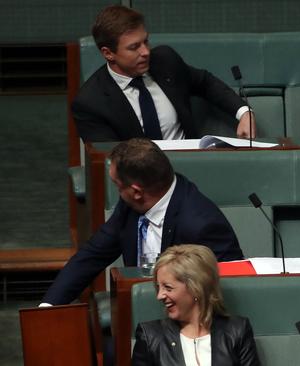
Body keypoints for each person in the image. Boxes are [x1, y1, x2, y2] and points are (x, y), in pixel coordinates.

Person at [41, 138, 243, 305]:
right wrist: (48, 306)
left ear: (136, 192)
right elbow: (93, 254)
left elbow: (225, 290)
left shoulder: (203, 225)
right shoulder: (130, 207)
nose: (118, 193)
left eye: (118, 186)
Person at [73, 5, 255, 142]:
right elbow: (109, 164)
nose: (145, 52)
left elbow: (205, 82)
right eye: (134, 47)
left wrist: (244, 112)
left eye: (145, 41)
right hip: (141, 184)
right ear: (108, 53)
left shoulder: (165, 61)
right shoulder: (91, 102)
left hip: (192, 168)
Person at [132, 244, 260, 365]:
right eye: (158, 287)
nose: (159, 296)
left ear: (196, 288)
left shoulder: (237, 331)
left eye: (168, 287)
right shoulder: (150, 337)